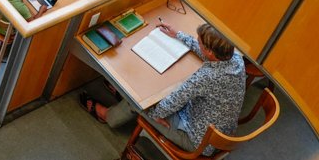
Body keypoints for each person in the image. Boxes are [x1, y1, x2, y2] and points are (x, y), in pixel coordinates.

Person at [79, 23, 245, 156]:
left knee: (139, 100)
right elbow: (209, 56)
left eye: (199, 42)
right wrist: (179, 36)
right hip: (219, 130)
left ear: (209, 51)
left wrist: (155, 114)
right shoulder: (235, 58)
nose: (197, 43)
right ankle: (123, 100)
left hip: (196, 139)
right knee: (152, 100)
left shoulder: (206, 77)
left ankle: (108, 116)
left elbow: (174, 100)